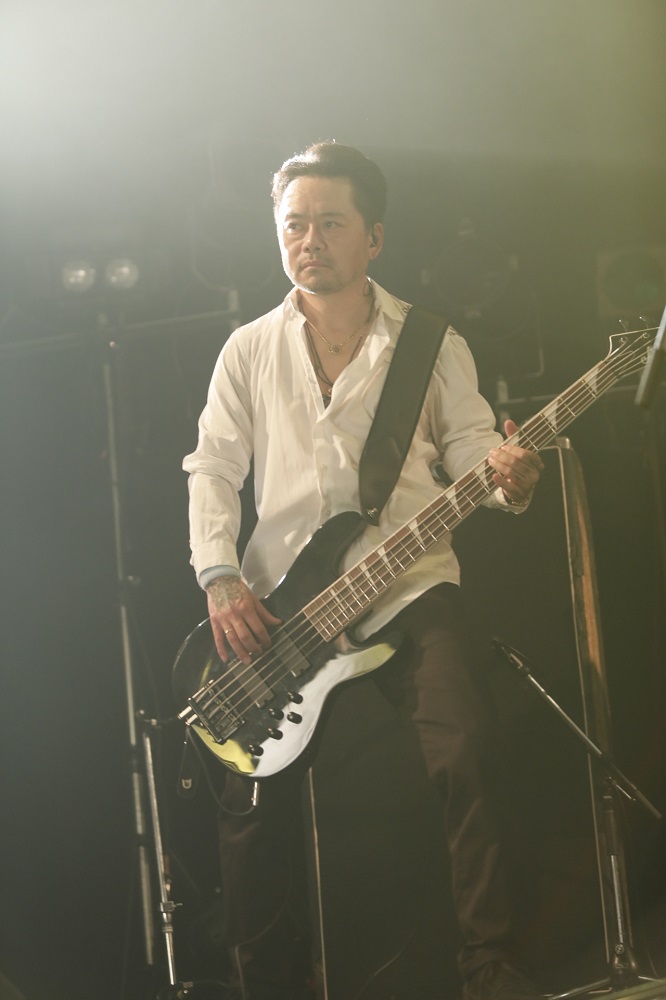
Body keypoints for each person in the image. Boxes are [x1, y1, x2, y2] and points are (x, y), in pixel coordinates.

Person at [183, 141, 544, 1000]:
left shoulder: (430, 341)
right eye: (294, 224)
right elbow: (213, 467)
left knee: (468, 753)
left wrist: (509, 479)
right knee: (252, 810)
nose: (309, 240)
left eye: (330, 223)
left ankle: (491, 971)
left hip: (409, 584)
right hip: (283, 606)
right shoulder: (247, 348)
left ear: (374, 237)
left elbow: (472, 449)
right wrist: (221, 576)